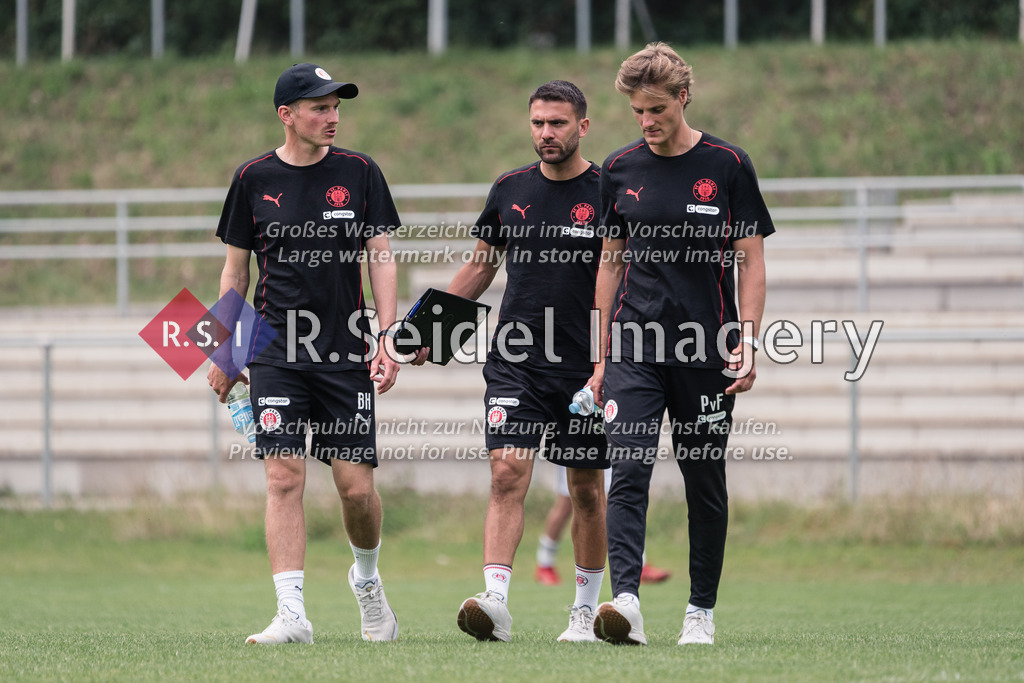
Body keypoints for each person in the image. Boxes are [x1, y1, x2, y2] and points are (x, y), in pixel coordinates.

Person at [207, 62, 402, 645]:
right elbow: (235, 273)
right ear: (286, 115)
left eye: (336, 107)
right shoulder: (252, 178)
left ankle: (366, 580)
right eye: (320, 108)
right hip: (274, 352)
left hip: (344, 353)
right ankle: (292, 614)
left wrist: (388, 336)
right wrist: (224, 351)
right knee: (283, 478)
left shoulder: (361, 172)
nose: (332, 117)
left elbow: (381, 257)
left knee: (356, 490)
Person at [588, 43, 775, 646]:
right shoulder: (619, 169)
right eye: (637, 112)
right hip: (634, 348)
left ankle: (700, 612)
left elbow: (751, 260)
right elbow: (609, 264)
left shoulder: (728, 164)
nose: (647, 121)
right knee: (628, 470)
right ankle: (626, 604)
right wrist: (600, 352)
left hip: (706, 350)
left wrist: (748, 340)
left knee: (704, 481)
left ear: (683, 98)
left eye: (657, 109)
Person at [414, 81, 608, 643]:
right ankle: (494, 601)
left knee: (585, 488)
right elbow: (481, 267)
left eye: (558, 123)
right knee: (506, 473)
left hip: (584, 368)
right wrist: (428, 330)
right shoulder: (510, 188)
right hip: (516, 362)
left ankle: (584, 612)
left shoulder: (609, 192)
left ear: (583, 127)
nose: (546, 133)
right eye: (538, 123)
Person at [535, 467, 671, 586]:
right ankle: (545, 564)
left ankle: (638, 564)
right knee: (567, 502)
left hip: (609, 447)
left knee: (621, 496)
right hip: (579, 448)